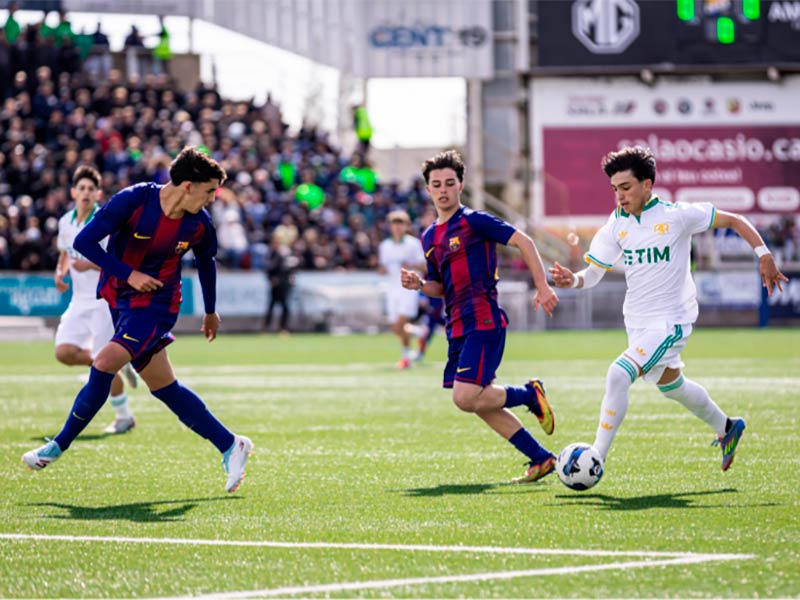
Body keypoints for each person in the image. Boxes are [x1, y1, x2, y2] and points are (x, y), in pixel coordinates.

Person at [23, 147, 253, 493]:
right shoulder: (134, 200)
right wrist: (128, 274)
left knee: (103, 362)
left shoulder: (199, 224)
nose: (211, 200)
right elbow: (85, 241)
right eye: (209, 191)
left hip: (158, 306)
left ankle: (57, 445)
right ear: (187, 186)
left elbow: (207, 262)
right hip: (122, 299)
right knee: (165, 388)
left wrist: (210, 310)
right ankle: (230, 444)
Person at [548, 146, 789, 472]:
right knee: (670, 384)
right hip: (638, 323)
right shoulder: (617, 224)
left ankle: (595, 459)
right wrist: (572, 282)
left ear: (647, 185)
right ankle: (727, 427)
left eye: (626, 187)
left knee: (618, 374)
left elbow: (734, 220)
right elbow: (592, 274)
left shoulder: (676, 216)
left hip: (671, 323)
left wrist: (764, 255)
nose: (619, 196)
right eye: (615, 189)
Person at [401, 150, 560, 483]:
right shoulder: (429, 238)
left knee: (465, 397)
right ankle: (541, 459)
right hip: (456, 325)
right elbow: (440, 286)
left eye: (449, 183)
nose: (443, 190)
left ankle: (530, 394)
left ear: (461, 185)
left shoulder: (475, 221)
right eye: (436, 185)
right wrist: (419, 285)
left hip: (483, 320)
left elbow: (525, 241)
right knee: (478, 401)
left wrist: (542, 286)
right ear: (428, 190)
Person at [54, 166, 138, 435]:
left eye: (91, 189)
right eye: (82, 189)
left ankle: (124, 417)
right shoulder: (65, 222)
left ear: (98, 193)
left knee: (104, 364)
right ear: (73, 192)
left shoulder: (104, 220)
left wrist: (90, 266)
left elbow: (118, 263)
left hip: (103, 300)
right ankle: (116, 363)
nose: (86, 193)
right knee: (63, 352)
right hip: (78, 300)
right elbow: (65, 252)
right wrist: (61, 271)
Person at [378, 209, 426, 369]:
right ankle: (417, 332)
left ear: (407, 226)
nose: (397, 227)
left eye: (401, 224)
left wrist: (410, 265)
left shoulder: (414, 243)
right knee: (395, 327)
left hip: (408, 289)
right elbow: (383, 267)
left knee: (400, 324)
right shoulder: (385, 245)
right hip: (392, 289)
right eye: (394, 224)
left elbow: (424, 266)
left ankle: (406, 357)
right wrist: (382, 270)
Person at [264, 233, 295, 334]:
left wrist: (280, 279)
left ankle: (283, 328)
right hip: (274, 285)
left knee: (284, 305)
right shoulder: (271, 254)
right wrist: (271, 279)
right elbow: (268, 269)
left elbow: (287, 269)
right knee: (271, 306)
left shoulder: (284, 254)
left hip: (283, 284)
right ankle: (267, 327)